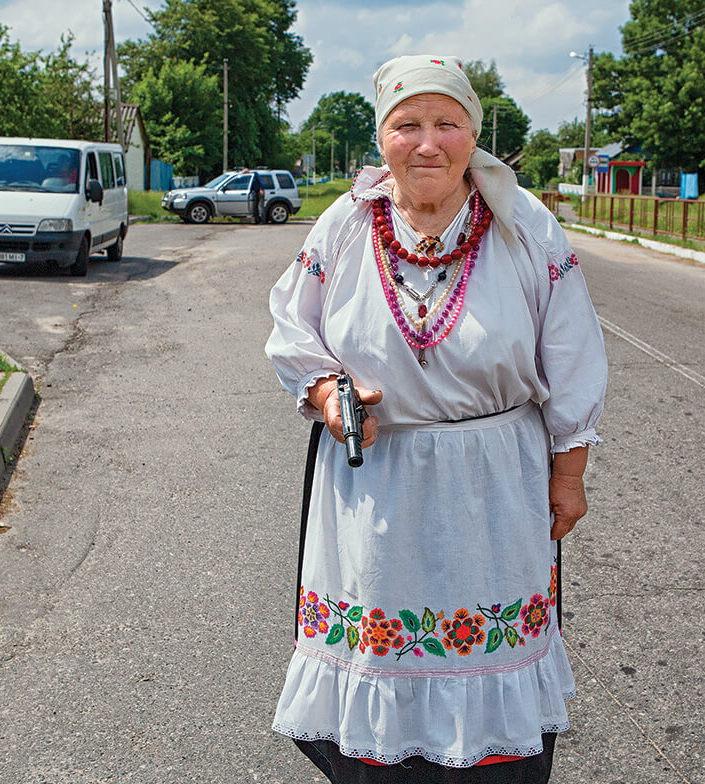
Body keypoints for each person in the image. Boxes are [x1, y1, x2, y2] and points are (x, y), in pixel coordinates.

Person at [265, 54, 608, 783]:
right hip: (374, 484)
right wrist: (328, 392)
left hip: (495, 481)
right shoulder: (347, 224)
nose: (428, 143)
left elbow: (574, 351)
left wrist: (570, 474)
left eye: (446, 123)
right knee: (378, 656)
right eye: (407, 124)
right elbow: (292, 326)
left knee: (489, 676)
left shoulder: (524, 226)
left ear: (472, 134)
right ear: (381, 135)